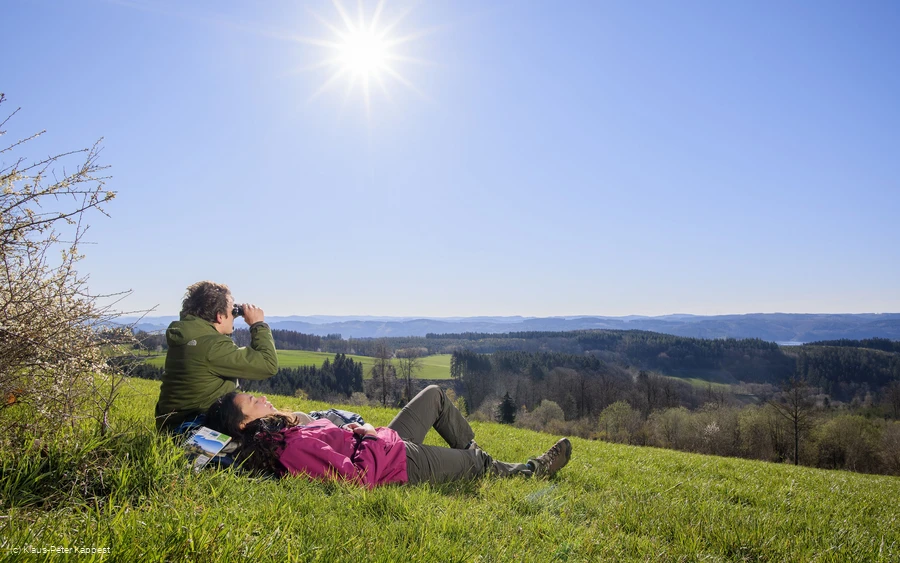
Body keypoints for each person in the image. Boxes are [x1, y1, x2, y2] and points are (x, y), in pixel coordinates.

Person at [204, 385, 572, 488]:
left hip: (379, 442)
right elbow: (358, 478)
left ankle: (477, 461)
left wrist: (352, 432)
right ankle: (530, 470)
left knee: (434, 397)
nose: (262, 398)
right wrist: (371, 436)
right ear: (243, 424)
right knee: (474, 463)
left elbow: (335, 446)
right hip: (394, 463)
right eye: (253, 401)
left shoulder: (286, 430)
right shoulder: (291, 447)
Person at [155, 281, 279, 433]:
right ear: (220, 316)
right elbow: (267, 365)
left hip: (174, 426)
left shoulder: (189, 337)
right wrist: (258, 324)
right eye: (233, 311)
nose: (235, 316)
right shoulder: (211, 346)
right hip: (195, 428)